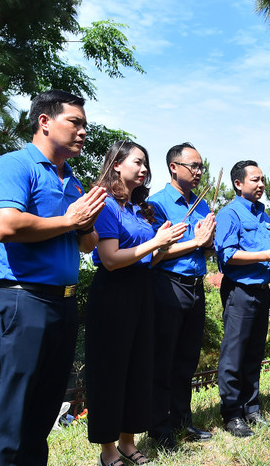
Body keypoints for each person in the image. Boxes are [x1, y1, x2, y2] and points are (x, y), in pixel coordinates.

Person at [0, 89, 107, 466]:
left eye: (86, 125)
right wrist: (69, 219)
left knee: (43, 412)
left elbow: (87, 245)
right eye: (75, 122)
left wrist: (85, 222)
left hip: (63, 304)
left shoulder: (74, 181)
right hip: (22, 302)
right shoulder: (13, 166)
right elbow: (4, 225)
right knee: (9, 415)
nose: (83, 132)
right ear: (45, 122)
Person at [84, 141, 186, 466]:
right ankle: (108, 450)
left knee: (138, 369)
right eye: (137, 162)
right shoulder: (106, 204)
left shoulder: (136, 209)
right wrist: (155, 242)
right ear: (116, 164)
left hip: (142, 291)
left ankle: (128, 442)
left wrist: (166, 243)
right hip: (112, 294)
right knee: (111, 371)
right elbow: (110, 259)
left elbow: (149, 260)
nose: (144, 169)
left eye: (146, 164)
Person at [214, 160, 270, 437]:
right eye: (255, 180)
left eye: (262, 180)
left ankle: (251, 408)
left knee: (255, 352)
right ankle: (232, 414)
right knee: (234, 354)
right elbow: (227, 256)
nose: (261, 185)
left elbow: (266, 249)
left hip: (262, 291)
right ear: (238, 183)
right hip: (240, 292)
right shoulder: (230, 213)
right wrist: (266, 255)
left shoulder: (262, 213)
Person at [146, 143, 216, 449]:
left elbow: (206, 248)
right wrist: (196, 242)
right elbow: (155, 254)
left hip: (196, 285)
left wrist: (208, 242)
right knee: (163, 359)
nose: (200, 172)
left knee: (187, 359)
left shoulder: (201, 204)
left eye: (202, 167)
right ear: (174, 167)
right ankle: (159, 429)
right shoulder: (156, 204)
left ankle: (182, 421)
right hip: (167, 284)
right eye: (194, 166)